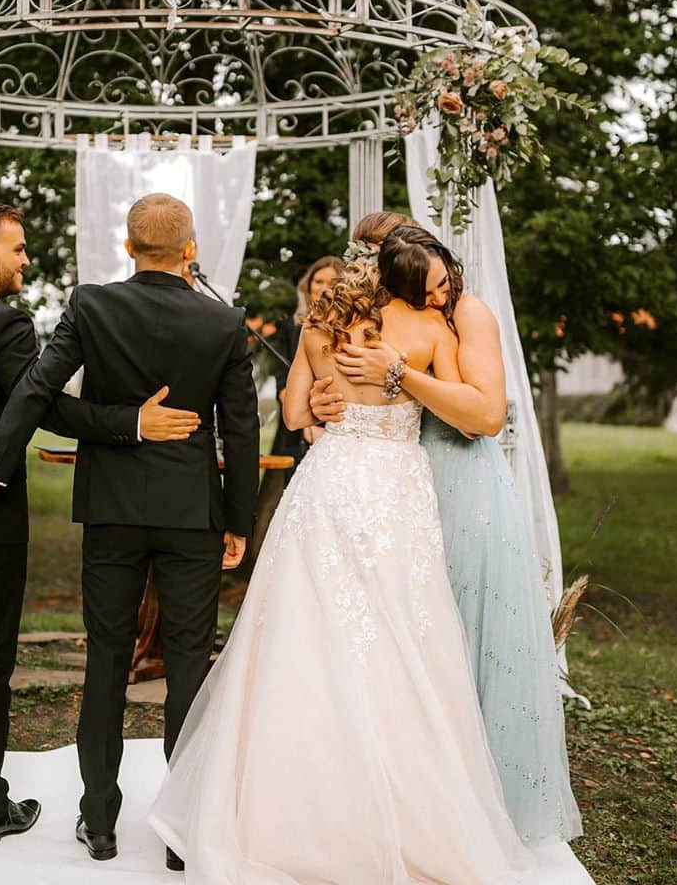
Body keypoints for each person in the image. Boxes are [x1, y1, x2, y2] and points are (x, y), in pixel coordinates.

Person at [149, 231, 594, 884]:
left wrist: (325, 401)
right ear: (407, 284)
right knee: (405, 641)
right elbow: (474, 416)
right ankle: (410, 810)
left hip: (327, 484)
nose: (443, 295)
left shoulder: (319, 328)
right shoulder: (433, 333)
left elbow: (298, 411)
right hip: (396, 492)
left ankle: (277, 812)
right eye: (435, 286)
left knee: (300, 636)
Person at [0, 202, 201, 847]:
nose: (26, 261)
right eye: (18, 250)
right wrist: (132, 422)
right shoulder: (4, 325)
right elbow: (44, 408)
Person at [0, 193, 260, 870]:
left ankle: (98, 821)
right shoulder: (221, 322)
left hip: (113, 510)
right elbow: (241, 427)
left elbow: (35, 390)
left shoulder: (92, 306)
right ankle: (183, 832)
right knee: (188, 664)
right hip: (191, 514)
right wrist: (238, 520)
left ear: (129, 248)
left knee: (105, 660)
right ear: (189, 250)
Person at [309, 213, 583, 844]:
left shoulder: (468, 314)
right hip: (393, 486)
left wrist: (399, 375)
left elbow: (486, 414)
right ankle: (396, 802)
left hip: (460, 485)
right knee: (394, 646)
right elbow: (324, 398)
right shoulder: (373, 321)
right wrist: (326, 407)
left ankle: (478, 810)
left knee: (458, 637)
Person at [271, 256, 345, 468]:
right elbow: (281, 379)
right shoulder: (291, 326)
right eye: (318, 281)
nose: (323, 288)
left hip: (335, 423)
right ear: (309, 285)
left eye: (331, 282)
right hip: (297, 426)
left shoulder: (348, 329)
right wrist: (304, 418)